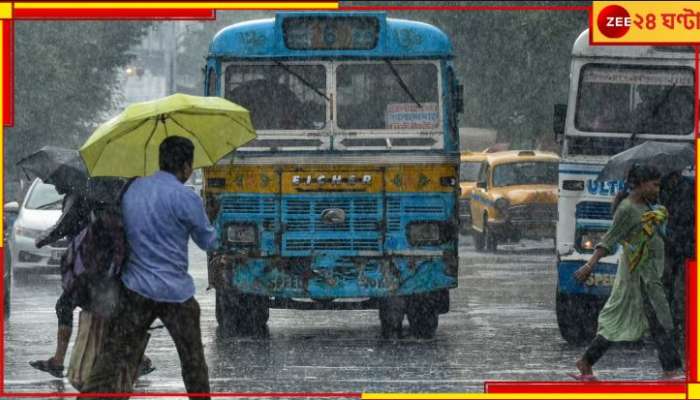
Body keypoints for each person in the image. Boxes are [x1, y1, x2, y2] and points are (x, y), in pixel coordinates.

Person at [80, 136, 218, 399]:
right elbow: (208, 241)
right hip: (176, 294)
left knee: (112, 358)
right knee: (193, 364)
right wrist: (212, 216)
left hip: (135, 291)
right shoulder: (186, 198)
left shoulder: (133, 190)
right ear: (187, 167)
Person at [29, 180, 155, 379]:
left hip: (92, 266)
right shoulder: (110, 193)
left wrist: (42, 240)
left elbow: (63, 226)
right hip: (106, 265)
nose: (55, 186)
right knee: (109, 311)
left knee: (72, 307)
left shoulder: (80, 195)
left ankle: (59, 361)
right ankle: (140, 359)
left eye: (56, 182)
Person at [571, 164, 683, 380]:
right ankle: (672, 368)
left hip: (650, 273)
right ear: (640, 184)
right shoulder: (627, 209)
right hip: (635, 276)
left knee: (654, 317)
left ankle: (587, 361)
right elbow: (609, 240)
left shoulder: (649, 204)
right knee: (643, 318)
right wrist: (589, 265)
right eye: (655, 184)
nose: (658, 189)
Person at [659, 170, 695, 350]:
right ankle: (671, 327)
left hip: (686, 246)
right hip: (669, 245)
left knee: (681, 291)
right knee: (667, 288)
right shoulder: (660, 187)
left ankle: (679, 327)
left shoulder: (690, 186)